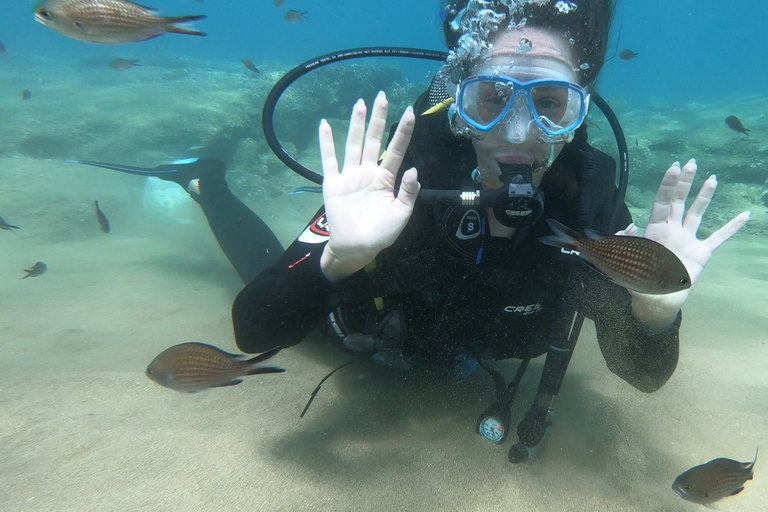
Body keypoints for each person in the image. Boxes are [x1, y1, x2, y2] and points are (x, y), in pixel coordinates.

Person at [74, 0, 749, 460]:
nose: (518, 135)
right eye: (490, 99)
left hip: (472, 348)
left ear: (578, 110)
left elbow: (641, 376)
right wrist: (337, 258)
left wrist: (656, 312)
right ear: (459, 97)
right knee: (276, 277)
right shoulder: (407, 168)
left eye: (549, 104)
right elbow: (252, 331)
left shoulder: (591, 195)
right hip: (368, 340)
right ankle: (206, 181)